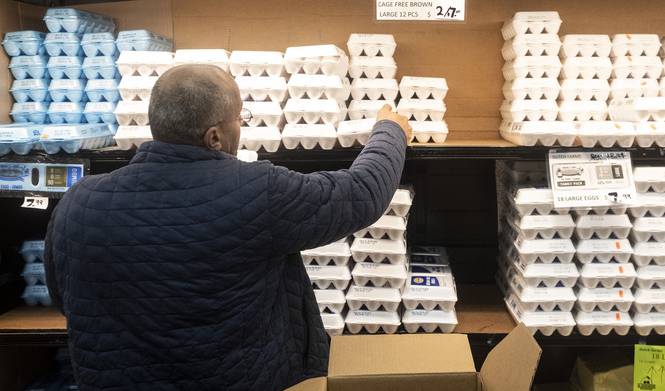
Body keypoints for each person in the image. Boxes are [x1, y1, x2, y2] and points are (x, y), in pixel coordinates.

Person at [44, 64, 412, 391]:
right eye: (240, 118)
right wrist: (390, 131)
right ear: (214, 137)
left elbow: (65, 298)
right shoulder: (255, 191)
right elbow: (361, 193)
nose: (242, 126)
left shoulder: (78, 201)